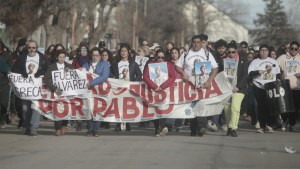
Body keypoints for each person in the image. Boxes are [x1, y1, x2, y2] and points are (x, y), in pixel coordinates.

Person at [175, 34, 219, 137]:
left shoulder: (207, 54)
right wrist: (183, 73)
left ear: (201, 43)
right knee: (192, 106)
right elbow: (177, 66)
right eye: (194, 42)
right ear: (191, 43)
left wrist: (209, 80)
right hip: (189, 84)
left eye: (198, 42)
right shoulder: (186, 53)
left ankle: (201, 126)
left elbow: (215, 68)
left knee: (201, 104)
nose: (196, 44)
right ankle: (193, 129)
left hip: (202, 83)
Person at [12, 40, 47, 136]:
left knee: (36, 107)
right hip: (25, 87)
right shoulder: (22, 57)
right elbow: (15, 69)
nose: (31, 49)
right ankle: (27, 125)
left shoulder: (42, 57)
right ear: (27, 48)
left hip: (37, 87)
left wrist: (39, 73)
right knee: (25, 108)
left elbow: (46, 68)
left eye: (33, 48)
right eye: (29, 47)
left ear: (36, 48)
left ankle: (33, 127)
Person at [248, 44, 280, 133]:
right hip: (259, 86)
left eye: (265, 50)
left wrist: (278, 83)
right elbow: (250, 74)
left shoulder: (273, 61)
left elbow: (278, 74)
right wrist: (258, 71)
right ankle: (262, 126)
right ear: (259, 52)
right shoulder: (255, 62)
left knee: (270, 106)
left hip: (270, 86)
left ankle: (269, 125)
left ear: (268, 52)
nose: (264, 52)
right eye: (262, 50)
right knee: (261, 107)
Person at [143, 49, 176, 136]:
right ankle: (157, 128)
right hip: (153, 90)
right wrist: (154, 86)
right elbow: (145, 77)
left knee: (163, 108)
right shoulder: (151, 64)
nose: (160, 59)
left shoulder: (168, 65)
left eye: (162, 57)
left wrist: (162, 86)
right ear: (155, 57)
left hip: (165, 90)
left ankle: (162, 127)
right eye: (158, 57)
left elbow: (172, 77)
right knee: (155, 109)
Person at [110, 43, 142, 131]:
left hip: (129, 87)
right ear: (119, 53)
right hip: (118, 87)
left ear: (128, 53)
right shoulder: (115, 63)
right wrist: (114, 78)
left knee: (127, 106)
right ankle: (118, 124)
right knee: (119, 105)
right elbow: (110, 73)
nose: (123, 53)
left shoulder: (133, 64)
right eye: (122, 51)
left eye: (125, 51)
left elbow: (139, 74)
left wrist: (133, 83)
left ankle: (127, 123)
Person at [44, 49, 73, 136]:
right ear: (57, 57)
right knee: (57, 109)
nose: (61, 59)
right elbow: (46, 78)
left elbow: (74, 76)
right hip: (56, 92)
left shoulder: (69, 66)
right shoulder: (52, 67)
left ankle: (64, 125)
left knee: (66, 108)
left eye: (63, 57)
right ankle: (57, 128)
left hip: (67, 91)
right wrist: (54, 88)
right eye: (60, 57)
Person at [83, 47, 110, 136]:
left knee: (98, 109)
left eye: (97, 55)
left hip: (99, 91)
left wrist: (92, 83)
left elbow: (104, 76)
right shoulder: (87, 65)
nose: (95, 57)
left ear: (100, 56)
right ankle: (89, 129)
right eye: (93, 55)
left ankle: (96, 129)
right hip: (88, 92)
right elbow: (81, 74)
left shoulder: (104, 64)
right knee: (89, 109)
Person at [223, 42, 248, 137]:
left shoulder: (242, 60)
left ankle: (234, 128)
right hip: (227, 88)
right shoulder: (224, 60)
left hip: (239, 89)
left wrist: (238, 86)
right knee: (227, 109)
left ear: (236, 51)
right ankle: (229, 127)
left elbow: (245, 75)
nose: (231, 54)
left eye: (233, 52)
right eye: (229, 52)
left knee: (235, 108)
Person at [276, 41, 300, 132]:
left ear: (298, 50)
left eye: (296, 49)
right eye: (292, 48)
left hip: (297, 87)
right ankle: (284, 121)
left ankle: (292, 124)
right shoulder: (282, 58)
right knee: (285, 107)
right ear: (289, 48)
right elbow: (274, 67)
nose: (293, 50)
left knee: (295, 107)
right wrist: (280, 75)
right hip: (285, 86)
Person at [0, 41, 12, 128]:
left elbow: (9, 68)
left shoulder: (7, 55)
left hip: (4, 82)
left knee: (4, 103)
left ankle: (2, 117)